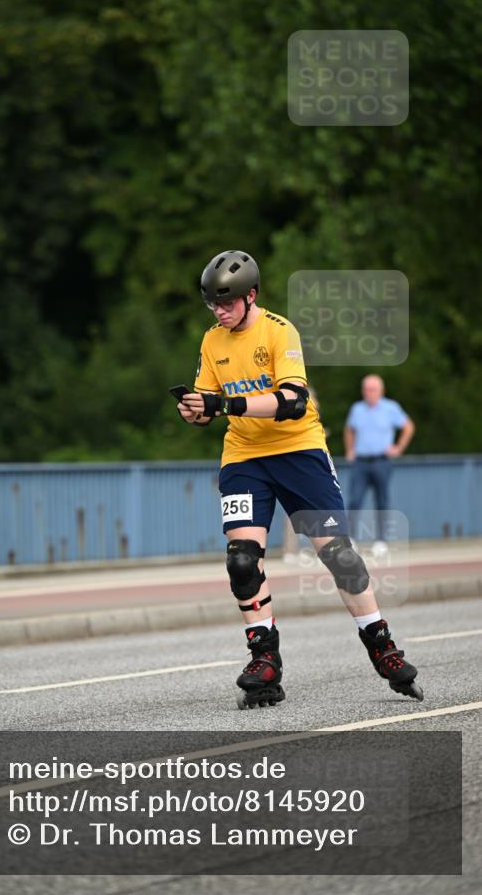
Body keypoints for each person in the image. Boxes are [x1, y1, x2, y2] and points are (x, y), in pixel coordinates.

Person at [176, 250, 422, 707]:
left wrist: (223, 406)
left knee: (340, 558)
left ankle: (382, 646)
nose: (220, 311)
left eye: (227, 302)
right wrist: (194, 409)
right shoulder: (213, 342)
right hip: (245, 455)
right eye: (212, 303)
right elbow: (209, 403)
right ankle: (264, 659)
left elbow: (291, 399)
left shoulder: (279, 330)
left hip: (298, 451)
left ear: (251, 296)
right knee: (242, 562)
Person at [344, 375, 415, 552]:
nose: (368, 393)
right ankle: (350, 538)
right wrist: (350, 450)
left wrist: (399, 447)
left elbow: (408, 427)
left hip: (382, 461)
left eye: (372, 389)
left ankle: (381, 540)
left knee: (381, 500)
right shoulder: (357, 408)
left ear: (380, 390)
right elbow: (349, 429)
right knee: (354, 500)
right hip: (360, 462)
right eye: (366, 389)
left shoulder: (391, 408)